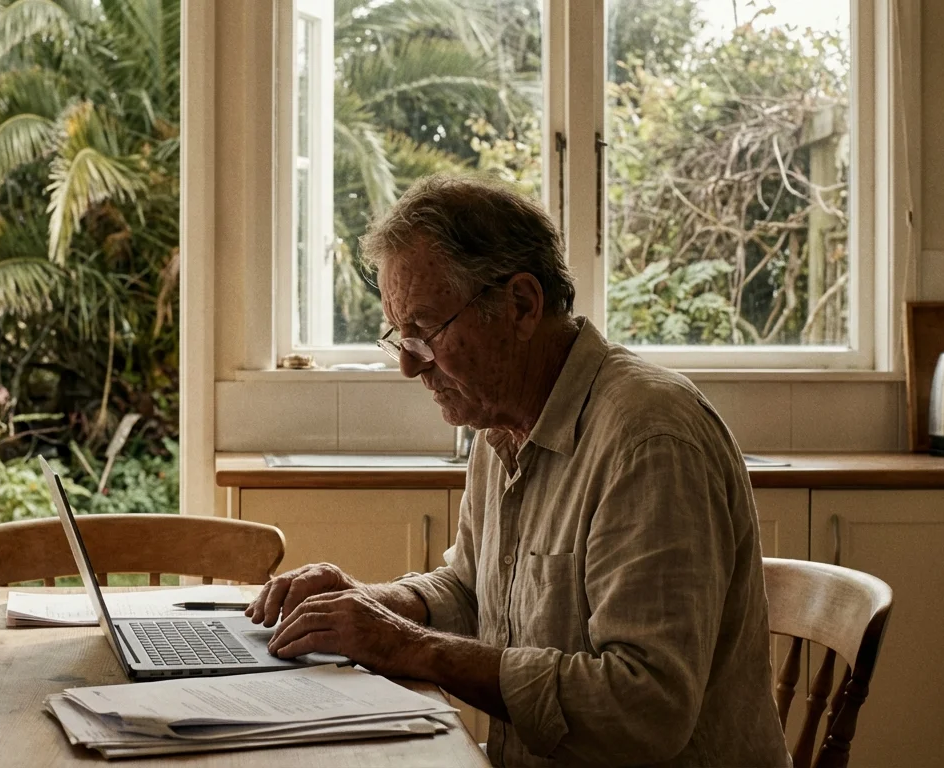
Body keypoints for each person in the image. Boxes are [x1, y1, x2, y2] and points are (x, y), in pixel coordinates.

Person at [246, 175, 790, 767]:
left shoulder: (648, 440)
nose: (408, 365)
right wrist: (372, 603)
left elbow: (644, 708)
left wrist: (410, 648)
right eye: (399, 337)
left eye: (426, 333)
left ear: (522, 306)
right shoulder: (500, 420)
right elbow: (471, 587)